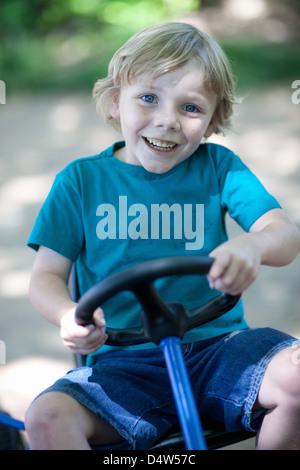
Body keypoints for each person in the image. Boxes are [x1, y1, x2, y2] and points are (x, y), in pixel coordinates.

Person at [25, 22, 300, 450]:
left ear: (213, 120)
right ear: (116, 102)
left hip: (219, 348)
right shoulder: (80, 181)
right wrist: (67, 315)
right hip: (123, 363)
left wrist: (253, 243)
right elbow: (45, 277)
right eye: (148, 98)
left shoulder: (219, 167)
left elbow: (283, 235)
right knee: (45, 418)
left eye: (190, 108)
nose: (167, 121)